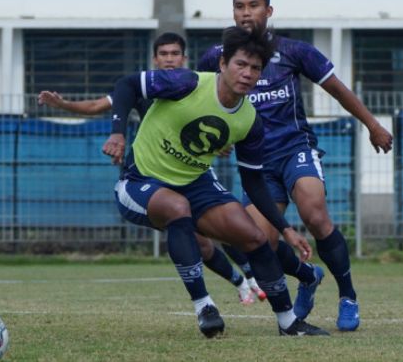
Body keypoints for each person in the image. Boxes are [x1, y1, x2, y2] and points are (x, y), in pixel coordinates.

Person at [108, 25, 329, 338]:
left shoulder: (249, 120)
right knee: (177, 207)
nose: (247, 73)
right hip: (139, 181)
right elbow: (127, 85)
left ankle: (288, 322)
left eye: (255, 68)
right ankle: (204, 306)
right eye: (241, 64)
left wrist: (286, 229)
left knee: (254, 237)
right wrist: (117, 132)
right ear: (223, 63)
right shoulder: (187, 82)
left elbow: (253, 183)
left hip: (196, 185)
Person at [197, 0, 394, 331]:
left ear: (268, 11)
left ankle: (348, 296)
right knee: (258, 241)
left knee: (315, 215)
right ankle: (307, 275)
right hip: (256, 164)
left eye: (254, 5)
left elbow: (337, 89)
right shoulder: (216, 57)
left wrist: (372, 125)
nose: (247, 12)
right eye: (240, 6)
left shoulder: (294, 51)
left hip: (294, 149)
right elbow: (202, 102)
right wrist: (215, 139)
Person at [38, 32, 266, 305]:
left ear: (185, 58)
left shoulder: (196, 84)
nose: (169, 59)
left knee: (222, 224)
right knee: (201, 242)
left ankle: (252, 277)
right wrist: (63, 104)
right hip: (154, 175)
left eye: (175, 54)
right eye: (164, 54)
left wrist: (220, 143)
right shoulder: (148, 87)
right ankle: (240, 282)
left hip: (194, 175)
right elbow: (99, 104)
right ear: (155, 59)